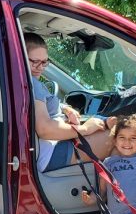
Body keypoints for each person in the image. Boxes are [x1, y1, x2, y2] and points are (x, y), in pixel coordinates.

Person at [25, 32, 115, 171]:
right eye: (35, 62)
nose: (41, 67)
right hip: (51, 152)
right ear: (21, 57)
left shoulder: (24, 82)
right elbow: (44, 130)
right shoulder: (32, 84)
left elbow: (40, 108)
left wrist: (65, 108)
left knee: (108, 124)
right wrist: (85, 129)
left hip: (48, 148)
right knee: (122, 136)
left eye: (44, 62)